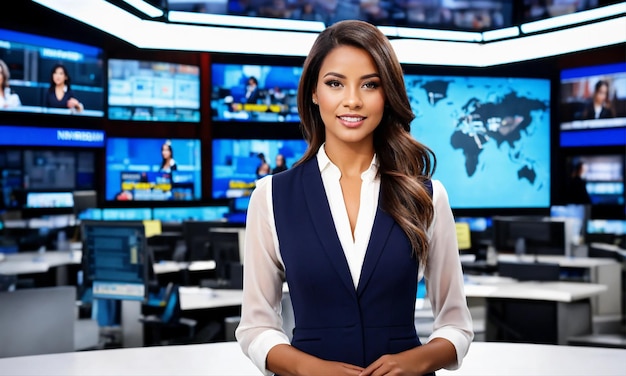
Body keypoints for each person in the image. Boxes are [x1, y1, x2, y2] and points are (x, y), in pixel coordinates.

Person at [236, 19, 473, 376]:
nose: (352, 101)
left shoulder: (426, 197)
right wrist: (307, 368)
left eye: (370, 85)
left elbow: (456, 324)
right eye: (335, 83)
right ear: (314, 92)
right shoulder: (271, 196)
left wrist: (417, 360)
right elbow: (255, 327)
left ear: (387, 93)